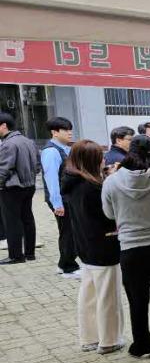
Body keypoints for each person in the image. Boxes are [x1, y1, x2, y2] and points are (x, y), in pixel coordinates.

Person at [101, 134, 150, 358]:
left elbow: (109, 213)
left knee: (137, 300)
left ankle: (142, 346)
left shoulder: (111, 182)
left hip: (131, 248)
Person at [61, 140, 124, 354]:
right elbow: (109, 215)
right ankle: (109, 340)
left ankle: (89, 337)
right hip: (104, 245)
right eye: (100, 157)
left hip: (85, 245)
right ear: (91, 161)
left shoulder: (73, 182)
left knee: (89, 294)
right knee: (108, 295)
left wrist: (105, 176)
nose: (104, 160)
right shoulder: (93, 188)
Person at [41, 117, 80, 278]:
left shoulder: (66, 149)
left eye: (70, 129)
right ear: (54, 132)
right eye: (66, 130)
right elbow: (51, 180)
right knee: (68, 231)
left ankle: (65, 263)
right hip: (61, 199)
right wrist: (57, 203)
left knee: (72, 230)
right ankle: (68, 267)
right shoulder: (51, 151)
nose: (70, 133)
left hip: (69, 197)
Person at [0, 113, 38, 265]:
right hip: (29, 186)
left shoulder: (8, 144)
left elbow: (3, 169)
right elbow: (37, 165)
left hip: (12, 188)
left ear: (4, 125)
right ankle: (30, 253)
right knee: (27, 218)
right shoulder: (29, 141)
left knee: (12, 222)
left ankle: (16, 256)